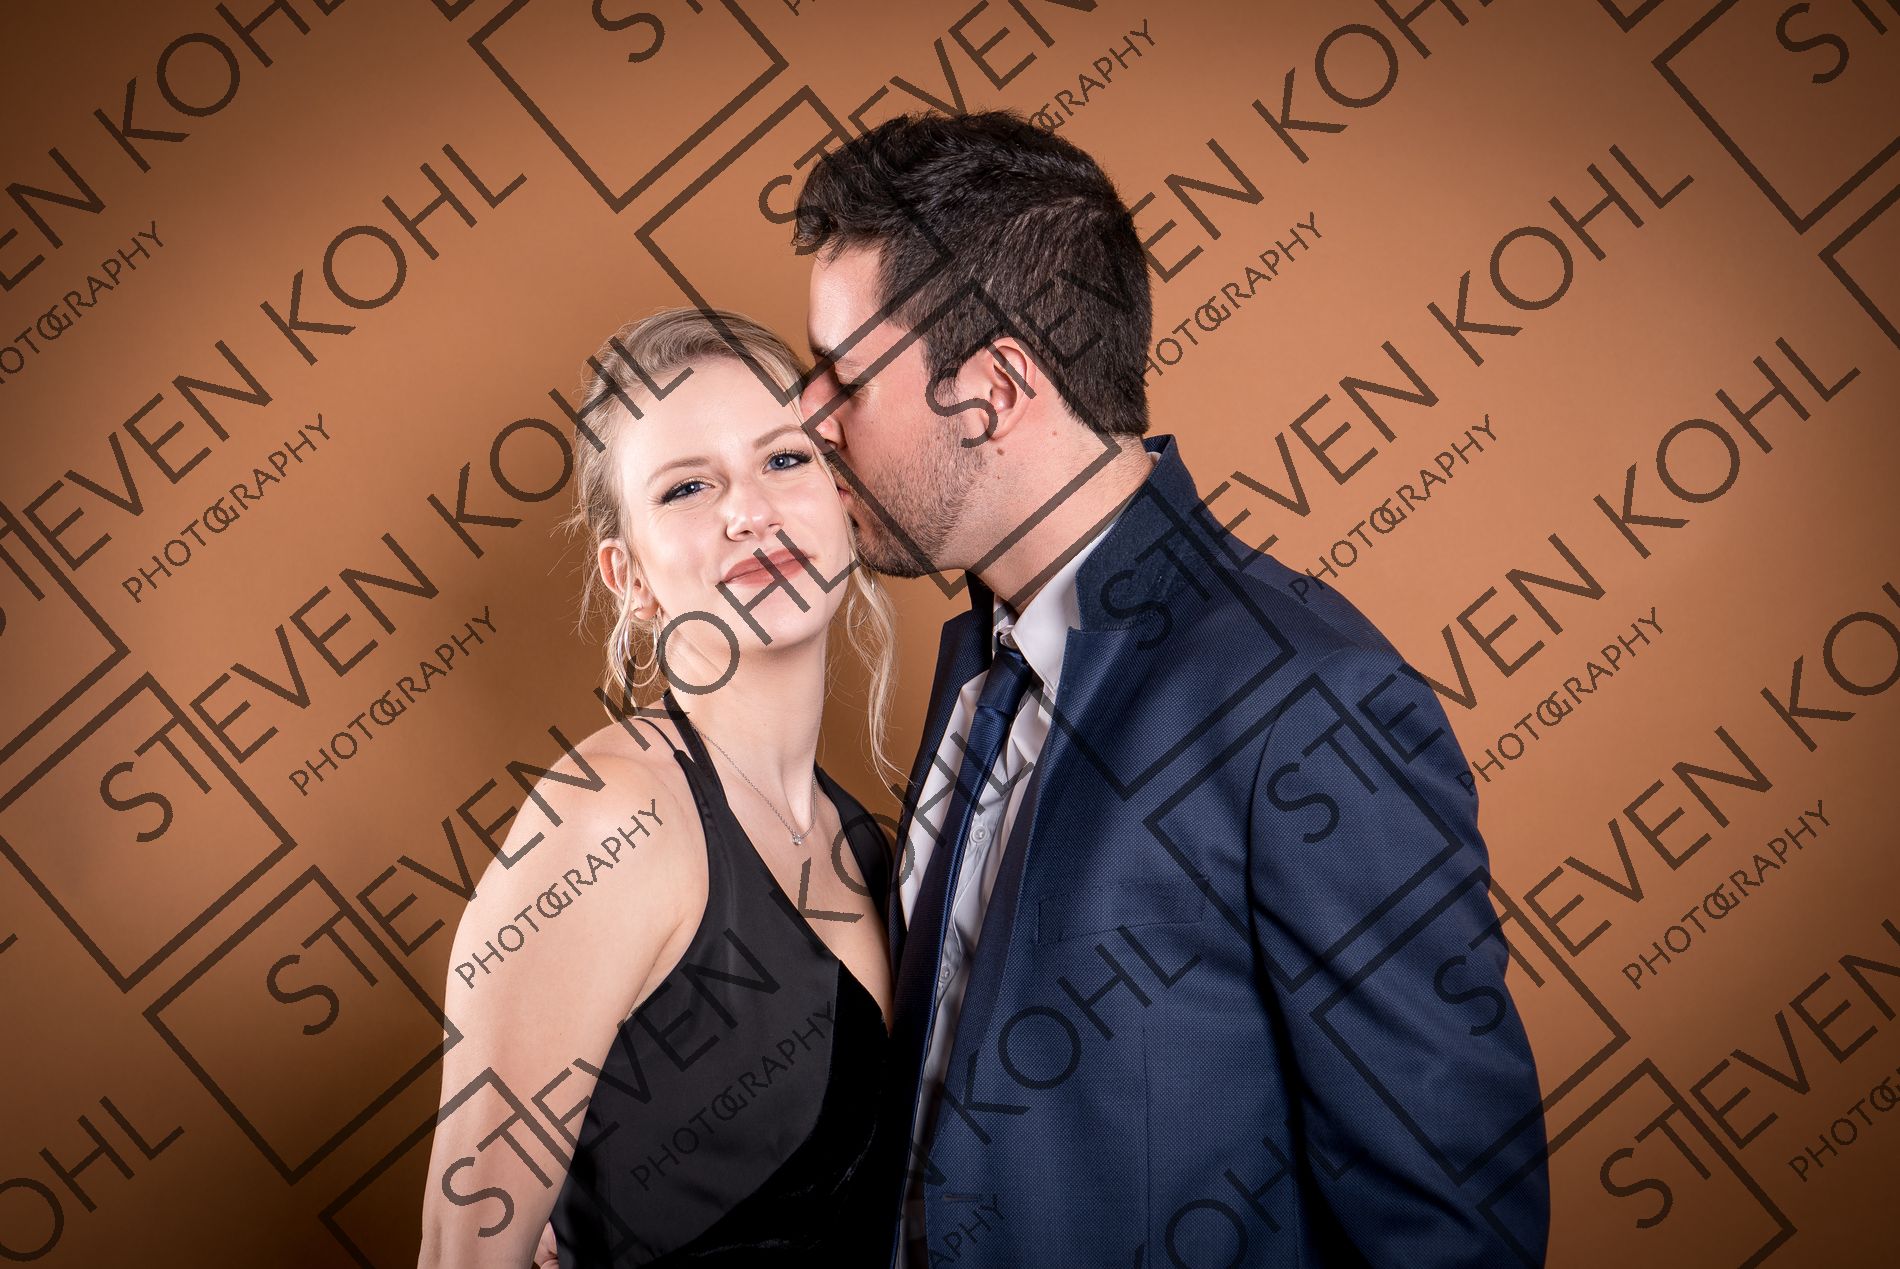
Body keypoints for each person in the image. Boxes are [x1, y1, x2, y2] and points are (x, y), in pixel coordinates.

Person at [793, 111, 1552, 1267]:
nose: (807, 413)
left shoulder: (1306, 700)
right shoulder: (986, 664)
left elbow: (1454, 1231)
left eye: (844, 375)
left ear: (993, 388)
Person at [417, 308, 907, 1267]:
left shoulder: (869, 845)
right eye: (687, 486)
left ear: (843, 498)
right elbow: (459, 1254)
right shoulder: (610, 820)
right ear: (629, 576)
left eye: (785, 459)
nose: (750, 512)